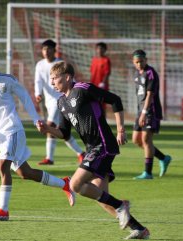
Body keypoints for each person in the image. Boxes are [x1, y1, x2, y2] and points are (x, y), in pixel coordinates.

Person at [37, 61, 150, 239]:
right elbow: (65, 134)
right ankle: (139, 229)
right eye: (50, 80)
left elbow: (115, 100)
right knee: (102, 198)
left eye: (54, 79)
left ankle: (121, 205)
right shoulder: (61, 103)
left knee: (75, 184)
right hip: (92, 148)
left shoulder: (83, 89)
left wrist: (120, 129)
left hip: (103, 144)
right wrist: (47, 129)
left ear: (67, 77)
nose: (51, 83)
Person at [0, 50, 75, 221]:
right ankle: (65, 184)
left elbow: (25, 97)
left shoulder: (7, 80)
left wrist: (35, 120)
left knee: (3, 166)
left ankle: (3, 210)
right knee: (25, 173)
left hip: (13, 129)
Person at [34, 39, 85, 165]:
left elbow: (71, 79)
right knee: (60, 131)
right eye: (44, 49)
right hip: (49, 101)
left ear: (54, 50)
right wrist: (38, 93)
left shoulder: (61, 64)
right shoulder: (40, 65)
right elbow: (38, 81)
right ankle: (81, 153)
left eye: (49, 49)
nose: (46, 52)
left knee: (50, 126)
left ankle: (49, 158)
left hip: (60, 99)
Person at [131, 49, 172, 180]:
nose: (139, 64)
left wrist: (144, 112)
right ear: (133, 62)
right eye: (136, 62)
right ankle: (163, 158)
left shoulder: (151, 73)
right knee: (136, 140)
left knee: (146, 140)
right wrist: (139, 112)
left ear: (146, 60)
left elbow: (149, 95)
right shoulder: (136, 75)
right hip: (141, 111)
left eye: (141, 61)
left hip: (150, 111)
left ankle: (147, 173)